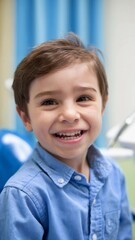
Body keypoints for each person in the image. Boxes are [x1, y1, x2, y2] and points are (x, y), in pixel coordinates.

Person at [0, 33, 132, 240]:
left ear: (102, 106)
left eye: (83, 98)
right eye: (49, 102)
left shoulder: (113, 174)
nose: (70, 115)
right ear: (25, 117)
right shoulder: (22, 196)